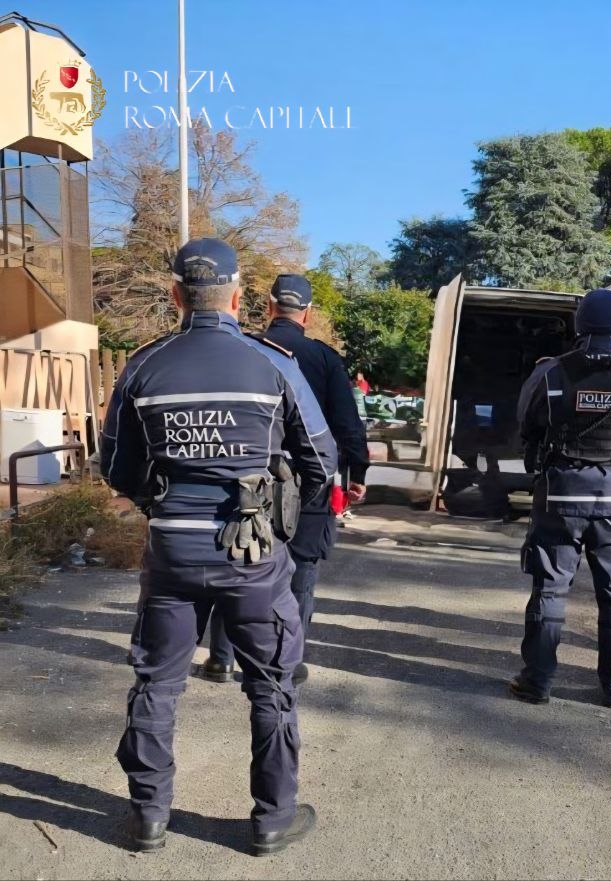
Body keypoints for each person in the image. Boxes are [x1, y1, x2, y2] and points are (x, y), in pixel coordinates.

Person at [101, 239, 337, 854]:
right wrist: (280, 506)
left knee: (156, 683)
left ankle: (148, 817)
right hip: (254, 553)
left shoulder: (143, 365)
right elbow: (321, 460)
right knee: (272, 686)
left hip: (172, 551)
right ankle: (272, 820)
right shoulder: (273, 363)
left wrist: (162, 503)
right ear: (237, 298)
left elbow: (117, 467)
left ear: (175, 295)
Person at [203, 274, 370, 685]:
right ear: (307, 314)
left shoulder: (243, 349)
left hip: (249, 475)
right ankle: (288, 660)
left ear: (269, 306)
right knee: (301, 567)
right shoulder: (325, 359)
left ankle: (222, 659)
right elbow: (347, 424)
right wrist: (358, 473)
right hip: (309, 475)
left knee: (239, 559)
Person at [510, 289, 611, 708]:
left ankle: (537, 682)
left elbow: (527, 423)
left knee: (550, 590)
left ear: (579, 324)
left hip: (561, 495)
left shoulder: (551, 371)